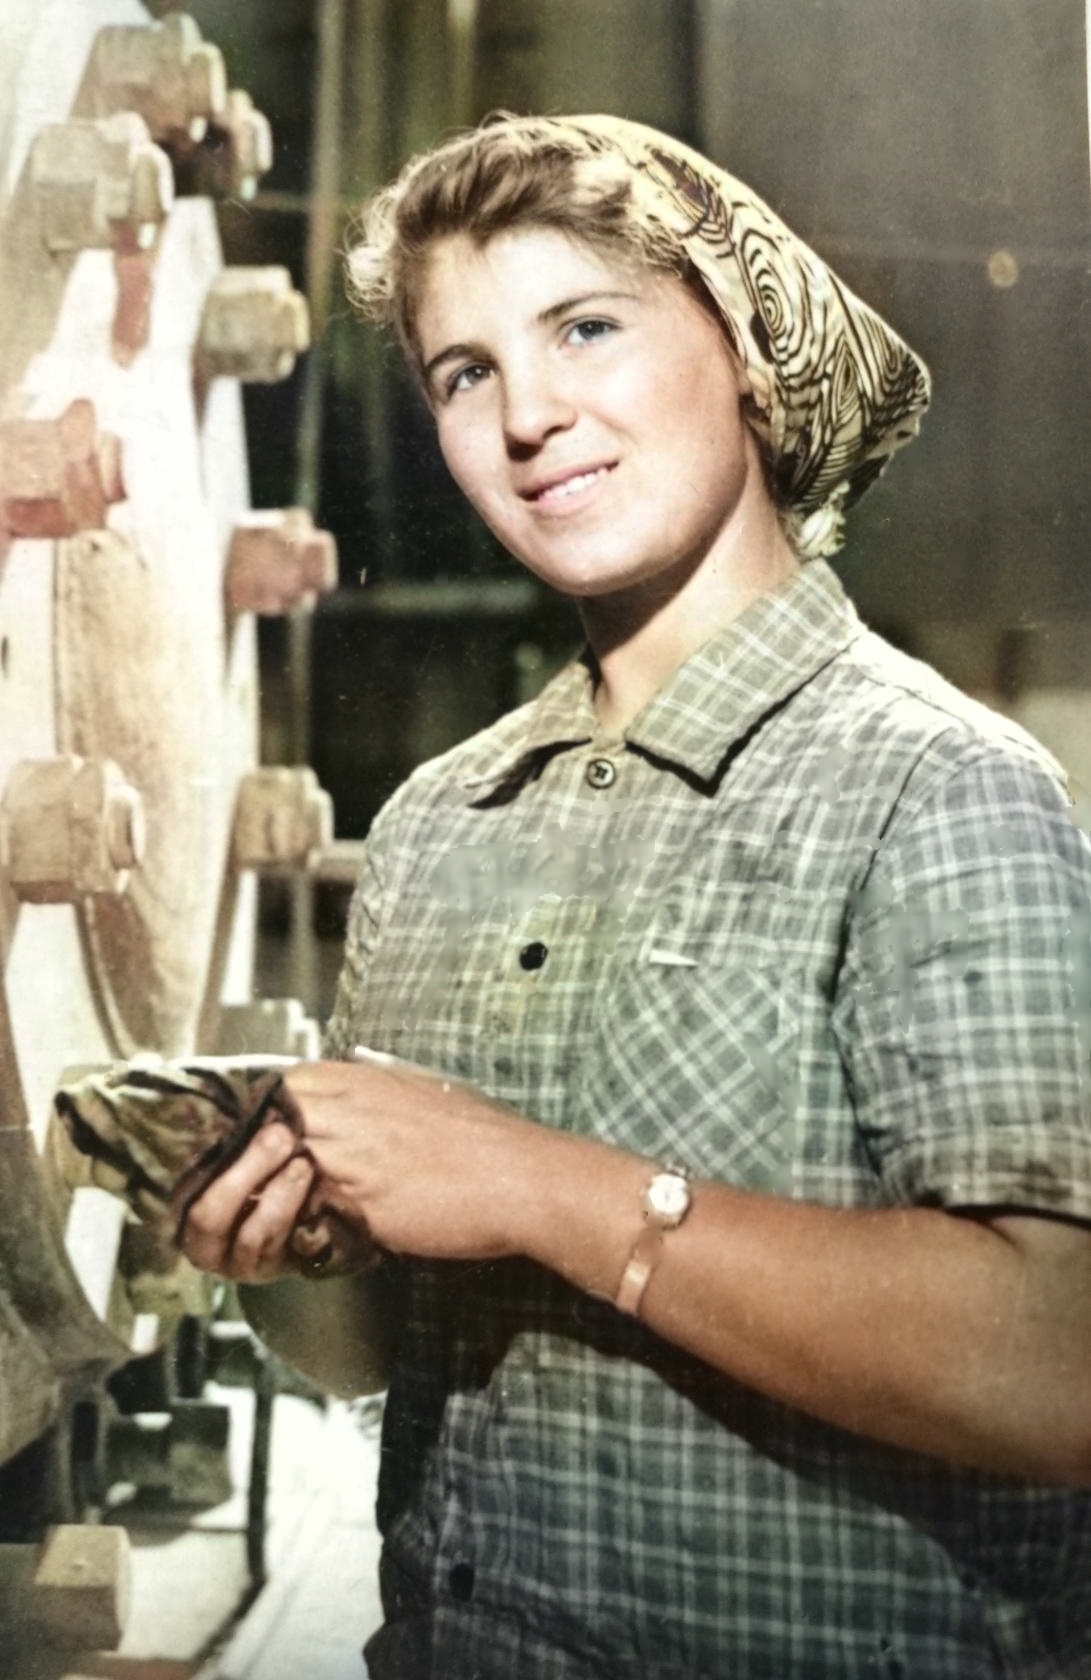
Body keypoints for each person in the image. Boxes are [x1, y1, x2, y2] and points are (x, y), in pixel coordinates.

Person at [182, 114, 1091, 1678]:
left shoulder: (937, 789)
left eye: (586, 327)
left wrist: (533, 1186)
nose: (530, 415)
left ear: (745, 354)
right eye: (464, 373)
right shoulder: (441, 823)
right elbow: (380, 1360)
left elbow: (1057, 1364)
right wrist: (295, 1254)